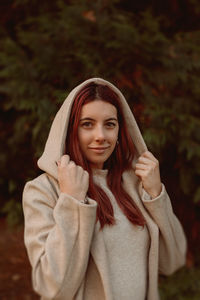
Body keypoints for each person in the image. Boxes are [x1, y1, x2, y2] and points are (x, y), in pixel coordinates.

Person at [23, 78, 187, 300]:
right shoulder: (43, 191)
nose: (100, 136)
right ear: (70, 129)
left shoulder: (134, 184)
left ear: (120, 130)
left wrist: (156, 194)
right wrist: (71, 202)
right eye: (87, 124)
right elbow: (51, 286)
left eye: (109, 124)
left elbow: (173, 260)